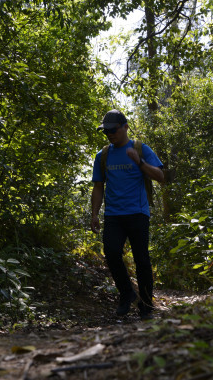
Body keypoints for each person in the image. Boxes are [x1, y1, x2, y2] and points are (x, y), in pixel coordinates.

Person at [90, 110, 164, 319]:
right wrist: (95, 214)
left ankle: (147, 305)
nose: (109, 134)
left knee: (142, 260)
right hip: (113, 215)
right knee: (112, 254)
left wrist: (139, 162)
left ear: (125, 127)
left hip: (138, 213)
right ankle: (127, 294)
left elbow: (160, 176)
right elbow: (98, 187)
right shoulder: (103, 155)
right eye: (106, 131)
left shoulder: (141, 149)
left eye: (113, 130)